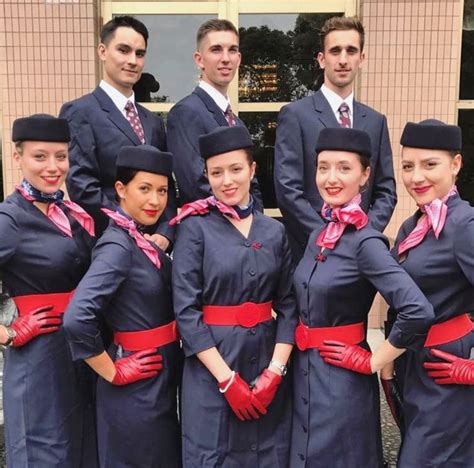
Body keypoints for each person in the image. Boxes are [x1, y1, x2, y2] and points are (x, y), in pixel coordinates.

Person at [291, 127, 434, 467]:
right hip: (303, 373)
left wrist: (375, 360)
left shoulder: (366, 243)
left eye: (344, 168)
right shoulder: (318, 236)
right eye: (323, 167)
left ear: (365, 175)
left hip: (341, 381)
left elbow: (417, 310)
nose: (331, 178)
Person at [172, 126, 297, 467]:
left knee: (267, 454)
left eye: (236, 169)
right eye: (216, 172)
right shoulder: (193, 228)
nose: (226, 180)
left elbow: (289, 305)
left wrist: (275, 372)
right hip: (211, 370)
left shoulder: (274, 231)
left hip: (265, 360)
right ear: (206, 176)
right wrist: (227, 380)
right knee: (212, 454)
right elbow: (186, 311)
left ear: (252, 170)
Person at [62, 145, 182, 467]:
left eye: (162, 191)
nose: (155, 201)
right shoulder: (117, 245)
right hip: (136, 389)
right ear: (120, 190)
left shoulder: (137, 239)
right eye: (144, 189)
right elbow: (77, 317)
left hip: (155, 381)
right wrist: (112, 371)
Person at [0, 114, 97, 467]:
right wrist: (8, 333)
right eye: (40, 157)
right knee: (43, 453)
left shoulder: (70, 214)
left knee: (82, 450)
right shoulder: (10, 218)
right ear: (17, 158)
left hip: (80, 353)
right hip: (38, 361)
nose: (53, 167)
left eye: (61, 156)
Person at [386, 120, 474, 467]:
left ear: (455, 164)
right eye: (408, 166)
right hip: (414, 368)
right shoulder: (412, 226)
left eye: (429, 164)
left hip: (448, 373)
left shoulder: (463, 225)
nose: (416, 177)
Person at [274, 16, 396, 262]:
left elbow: (386, 190)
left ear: (361, 58)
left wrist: (364, 234)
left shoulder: (375, 121)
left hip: (361, 253)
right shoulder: (296, 115)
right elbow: (288, 189)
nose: (342, 59)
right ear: (322, 59)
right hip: (312, 250)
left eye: (351, 51)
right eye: (335, 51)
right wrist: (326, 236)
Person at [59, 15, 176, 245]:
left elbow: (167, 186)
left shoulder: (152, 121)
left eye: (139, 53)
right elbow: (82, 186)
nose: (132, 60)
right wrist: (130, 229)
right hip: (107, 242)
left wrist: (165, 233)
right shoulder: (80, 111)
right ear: (102, 51)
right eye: (123, 50)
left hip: (155, 246)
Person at [167, 19, 263, 209]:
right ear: (199, 59)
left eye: (232, 50)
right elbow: (194, 184)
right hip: (210, 231)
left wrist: (255, 219)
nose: (226, 58)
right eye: (216, 49)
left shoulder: (236, 122)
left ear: (239, 58)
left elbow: (251, 183)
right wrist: (241, 216)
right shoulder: (186, 112)